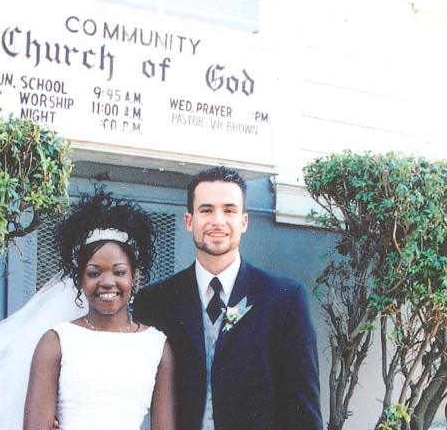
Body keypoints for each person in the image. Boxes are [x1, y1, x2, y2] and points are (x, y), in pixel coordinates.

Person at [0, 190, 176, 430]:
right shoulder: (57, 341)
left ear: (134, 277)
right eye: (94, 273)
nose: (107, 282)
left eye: (119, 272)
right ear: (80, 279)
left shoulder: (156, 345)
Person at [134, 166, 322, 430]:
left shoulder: (284, 299)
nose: (218, 221)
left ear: (244, 222)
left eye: (229, 210)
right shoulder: (154, 302)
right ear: (190, 221)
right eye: (206, 210)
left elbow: (303, 407)